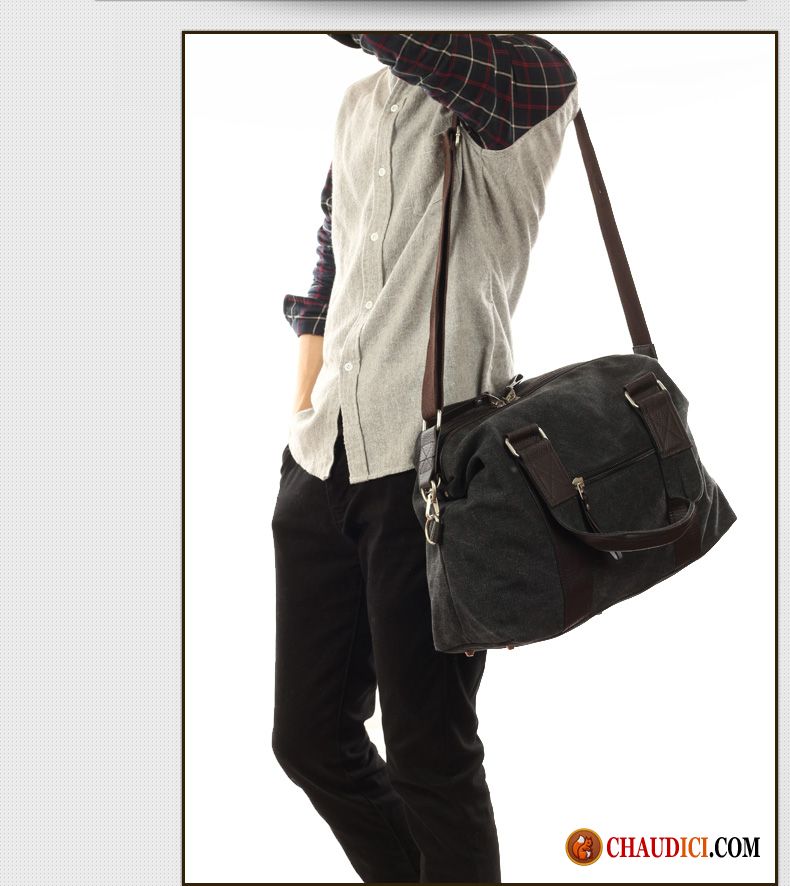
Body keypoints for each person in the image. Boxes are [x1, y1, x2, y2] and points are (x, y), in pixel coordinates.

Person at [271, 33, 579, 883]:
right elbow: (331, 263)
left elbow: (416, 42)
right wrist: (302, 410)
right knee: (308, 741)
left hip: (432, 478)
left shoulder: (526, 77)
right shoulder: (357, 105)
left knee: (429, 755)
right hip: (322, 462)